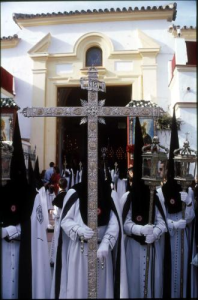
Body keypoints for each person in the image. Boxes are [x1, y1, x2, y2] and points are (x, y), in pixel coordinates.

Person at [50, 167, 128, 299]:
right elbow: (65, 220)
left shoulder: (110, 193)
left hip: (101, 253)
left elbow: (114, 223)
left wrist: (106, 242)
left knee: (101, 291)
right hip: (79, 252)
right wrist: (79, 230)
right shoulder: (75, 192)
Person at [121, 117, 167, 298]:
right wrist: (140, 229)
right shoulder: (128, 197)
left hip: (151, 248)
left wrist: (155, 232)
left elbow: (162, 223)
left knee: (152, 287)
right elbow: (124, 224)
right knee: (133, 287)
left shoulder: (154, 196)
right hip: (132, 249)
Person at [156, 108, 196, 298]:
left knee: (182, 271)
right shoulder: (160, 191)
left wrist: (189, 203)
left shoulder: (186, 189)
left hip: (183, 237)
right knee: (168, 270)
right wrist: (172, 223)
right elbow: (158, 217)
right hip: (169, 236)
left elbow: (191, 219)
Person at [50, 178, 67, 267]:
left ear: (58, 185)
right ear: (66, 186)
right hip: (67, 223)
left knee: (56, 241)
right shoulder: (68, 196)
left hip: (58, 223)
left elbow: (56, 214)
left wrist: (52, 212)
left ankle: (55, 260)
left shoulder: (57, 197)